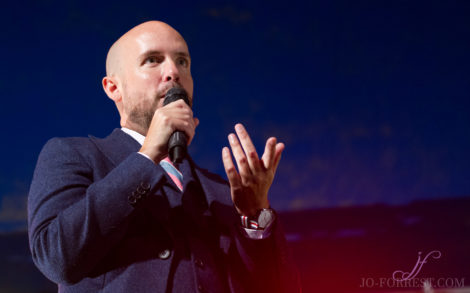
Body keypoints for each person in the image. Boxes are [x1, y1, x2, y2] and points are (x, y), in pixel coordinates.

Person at [28, 21, 300, 292]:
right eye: (152, 60)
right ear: (113, 88)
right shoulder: (74, 155)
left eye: (182, 61)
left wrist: (254, 217)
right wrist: (147, 158)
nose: (173, 72)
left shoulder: (222, 192)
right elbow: (56, 258)